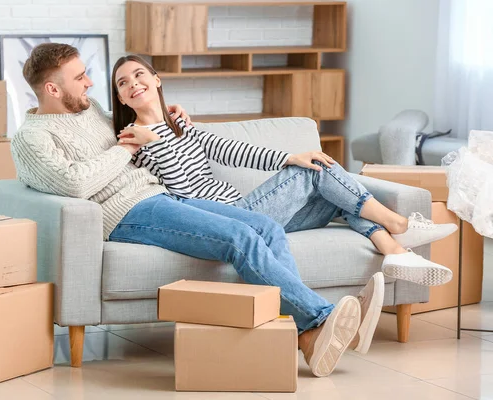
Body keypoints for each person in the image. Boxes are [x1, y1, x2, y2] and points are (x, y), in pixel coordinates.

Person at [12, 42, 378, 378]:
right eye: (79, 77)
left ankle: (301, 337)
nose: (90, 83)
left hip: (159, 197)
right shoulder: (32, 138)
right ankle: (318, 319)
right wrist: (124, 151)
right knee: (238, 238)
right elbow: (75, 183)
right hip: (126, 212)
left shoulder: (89, 111)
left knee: (266, 228)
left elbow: (135, 117)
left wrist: (168, 114)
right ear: (53, 89)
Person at [111, 55, 457, 290]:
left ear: (156, 79)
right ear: (122, 99)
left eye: (139, 74)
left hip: (247, 207)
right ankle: (398, 225)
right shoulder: (134, 139)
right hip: (227, 219)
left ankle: (393, 250)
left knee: (336, 196)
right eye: (123, 83)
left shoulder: (183, 124)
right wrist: (152, 140)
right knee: (318, 171)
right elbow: (180, 189)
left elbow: (233, 150)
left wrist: (289, 156)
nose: (133, 84)